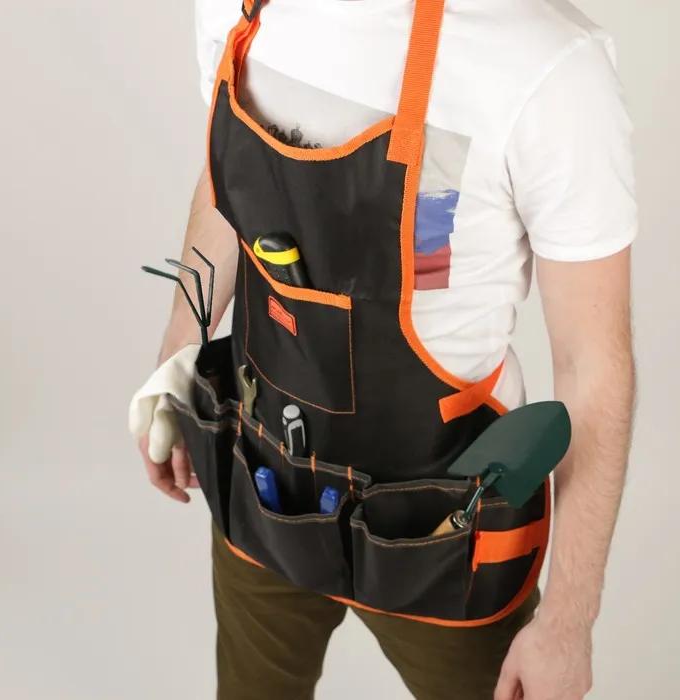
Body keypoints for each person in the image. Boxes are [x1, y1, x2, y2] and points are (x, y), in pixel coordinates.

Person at [129, 0, 637, 698]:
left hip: (445, 537)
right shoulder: (242, 9)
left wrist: (569, 625)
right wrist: (176, 359)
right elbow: (228, 189)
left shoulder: (549, 67)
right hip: (261, 483)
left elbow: (593, 365)